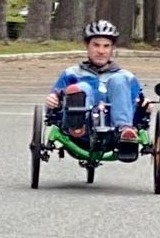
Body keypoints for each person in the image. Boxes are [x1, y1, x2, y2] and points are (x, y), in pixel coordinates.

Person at [45, 20, 145, 160]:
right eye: (96, 45)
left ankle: (124, 129)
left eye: (106, 46)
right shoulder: (71, 73)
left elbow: (139, 104)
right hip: (79, 134)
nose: (101, 51)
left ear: (112, 48)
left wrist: (146, 105)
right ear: (87, 46)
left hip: (114, 134)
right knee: (83, 87)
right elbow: (53, 101)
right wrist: (52, 99)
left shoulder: (126, 76)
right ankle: (78, 123)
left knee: (118, 80)